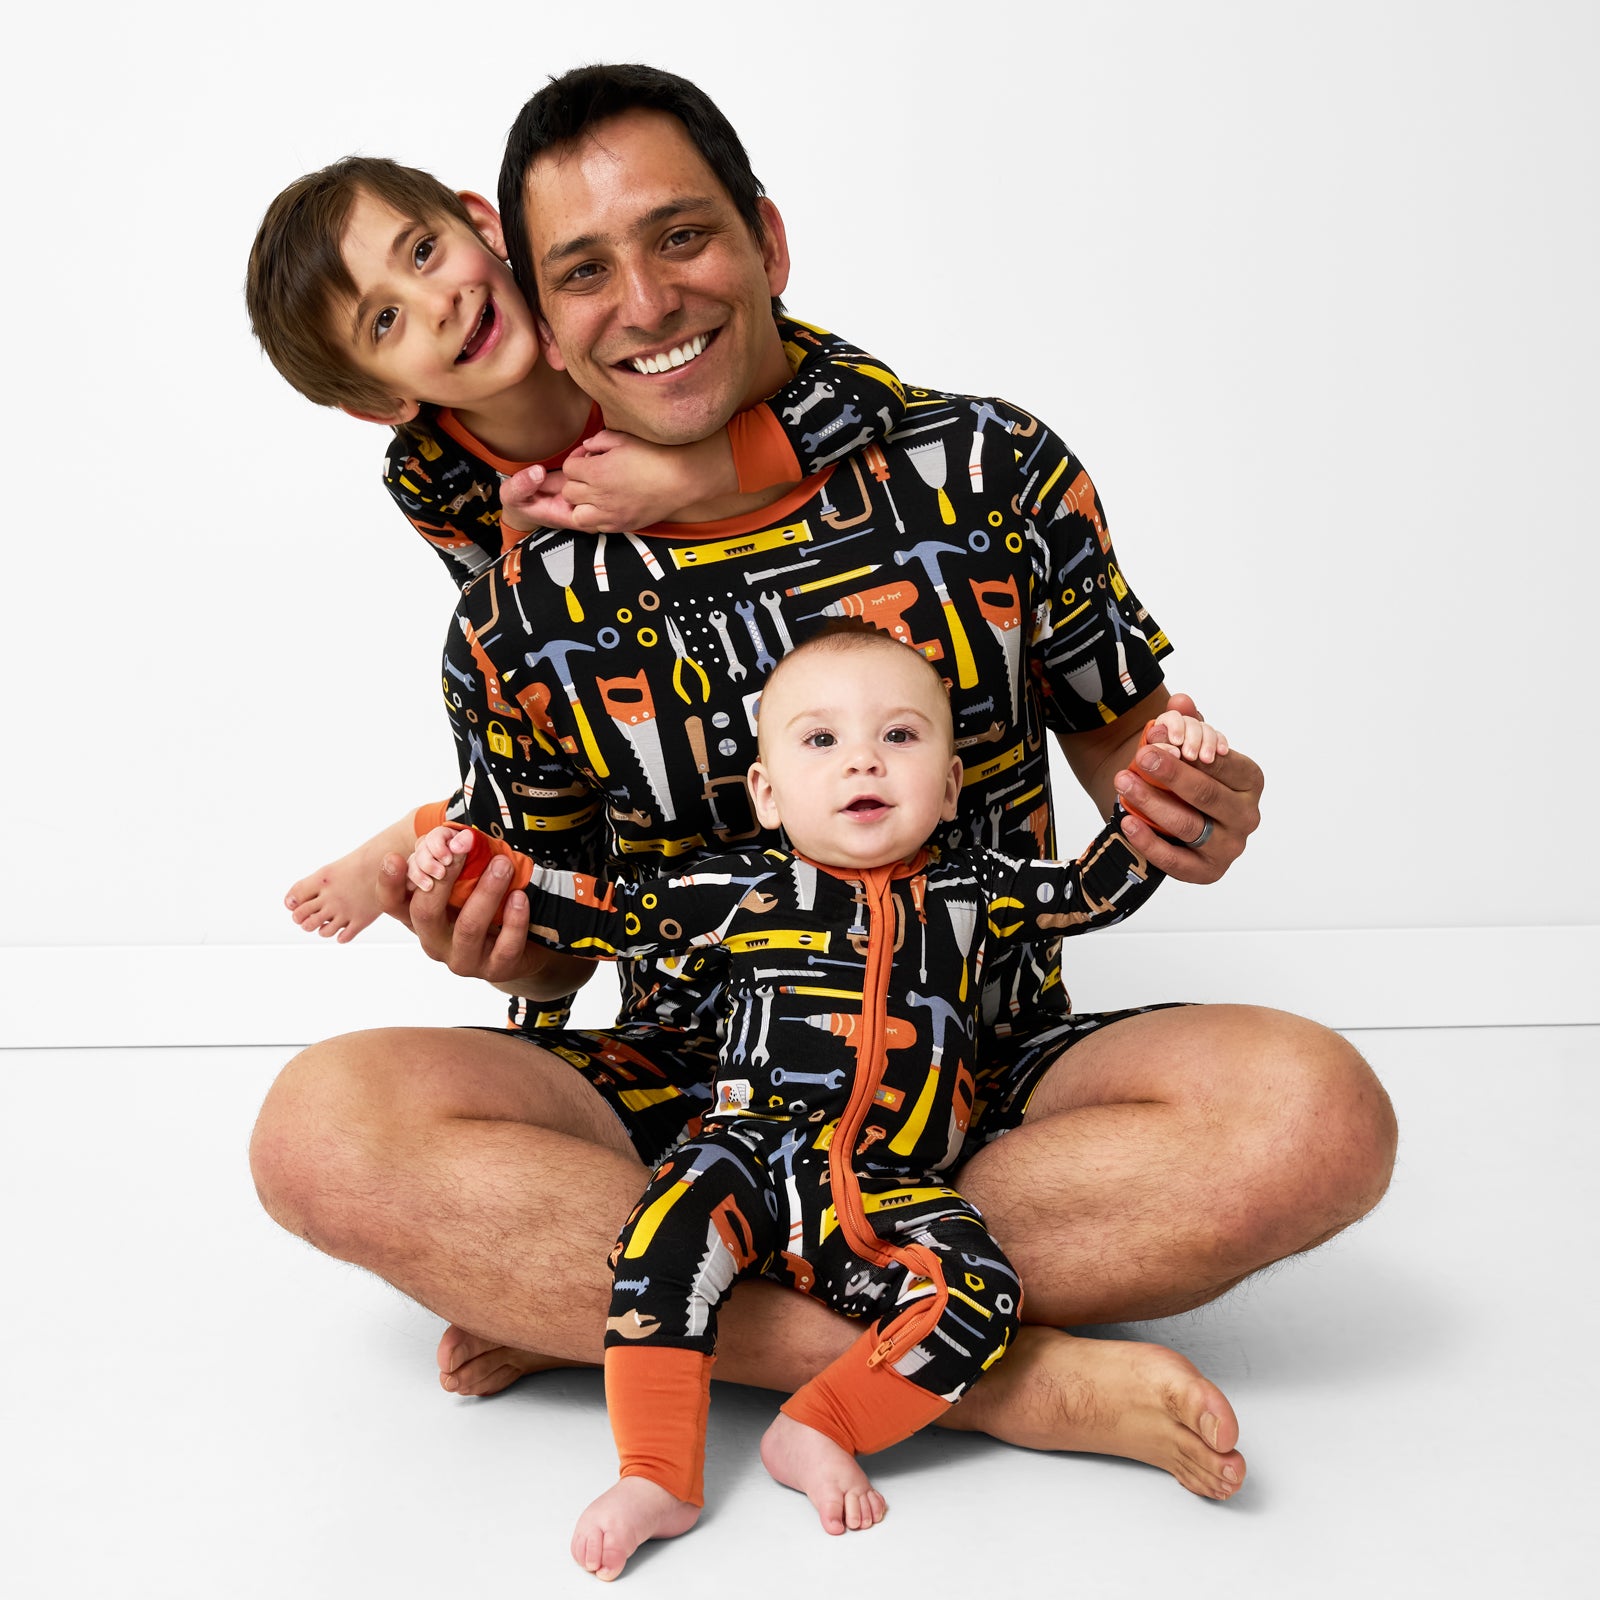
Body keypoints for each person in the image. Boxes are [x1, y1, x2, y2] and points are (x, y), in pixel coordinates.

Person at [249, 64, 1396, 1512]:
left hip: (964, 1075)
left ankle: (616, 1308)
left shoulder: (982, 467)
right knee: (319, 1132)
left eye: (683, 237)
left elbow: (1129, 731)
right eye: (587, 270)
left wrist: (1181, 792)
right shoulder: (517, 601)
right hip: (693, 1099)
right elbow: (549, 921)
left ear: (768, 242)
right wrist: (474, 929)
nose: (648, 303)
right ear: (543, 301)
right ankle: (988, 1372)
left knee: (1320, 1116)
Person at [406, 626, 1229, 1576]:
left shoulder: (977, 889)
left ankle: (819, 1423)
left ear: (953, 786)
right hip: (745, 1151)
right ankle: (658, 1473)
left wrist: (1161, 779)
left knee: (980, 1294)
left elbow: (1098, 889)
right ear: (766, 793)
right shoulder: (741, 892)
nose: (864, 760)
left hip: (892, 1178)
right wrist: (473, 865)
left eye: (902, 737)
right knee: (661, 1241)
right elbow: (605, 907)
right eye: (820, 741)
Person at [244, 155, 908, 947]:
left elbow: (868, 392)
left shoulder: (619, 322)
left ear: (483, 225)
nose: (437, 303)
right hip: (627, 643)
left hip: (763, 578)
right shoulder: (429, 472)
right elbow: (500, 631)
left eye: (423, 253)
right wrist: (528, 535)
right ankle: (434, 830)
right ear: (379, 398)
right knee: (553, 754)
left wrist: (688, 472)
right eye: (385, 321)